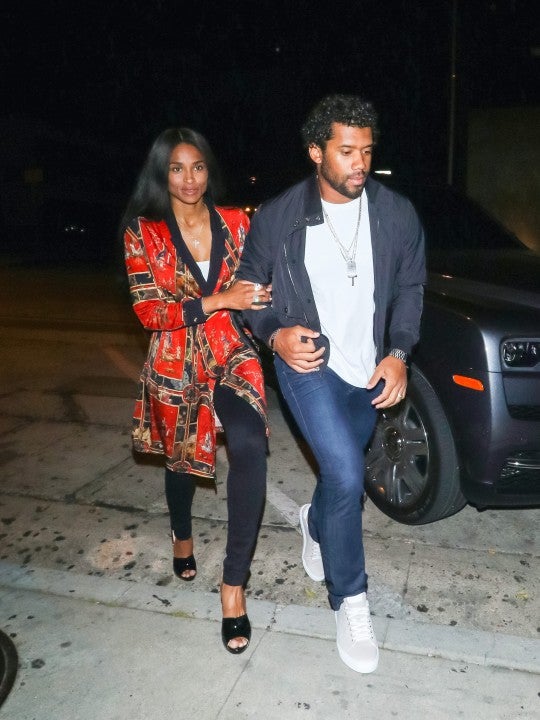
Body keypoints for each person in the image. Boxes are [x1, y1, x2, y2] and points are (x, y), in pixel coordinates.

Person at [237, 94, 426, 673]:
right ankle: (350, 599)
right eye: (346, 151)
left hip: (368, 371)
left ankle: (314, 524)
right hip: (308, 366)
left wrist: (399, 354)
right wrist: (273, 334)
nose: (359, 163)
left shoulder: (396, 214)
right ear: (316, 152)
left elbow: (410, 288)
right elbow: (249, 288)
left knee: (338, 479)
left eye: (366, 150)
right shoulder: (279, 216)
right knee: (346, 473)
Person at [121, 127, 271, 654]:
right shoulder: (143, 232)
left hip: (231, 351)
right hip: (176, 359)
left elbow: (256, 289)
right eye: (178, 168)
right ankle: (182, 535)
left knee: (249, 445)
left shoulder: (237, 222)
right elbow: (149, 311)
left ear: (209, 169)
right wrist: (219, 299)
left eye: (198, 167)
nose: (190, 179)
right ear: (162, 174)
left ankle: (233, 586)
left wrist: (265, 303)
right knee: (182, 462)